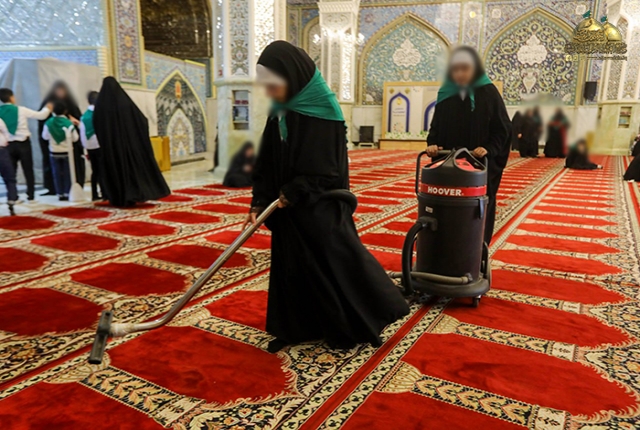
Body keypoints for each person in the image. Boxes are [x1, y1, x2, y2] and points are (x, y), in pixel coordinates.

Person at [248, 41, 409, 352]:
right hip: (288, 208)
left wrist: (295, 190)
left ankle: (361, 320)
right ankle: (296, 327)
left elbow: (326, 169)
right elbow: (266, 161)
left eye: (272, 84)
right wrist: (259, 198)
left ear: (291, 77)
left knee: (333, 264)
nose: (268, 92)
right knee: (293, 267)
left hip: (320, 206)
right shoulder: (280, 111)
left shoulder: (323, 110)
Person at [426, 46, 511, 245]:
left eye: (465, 68)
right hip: (448, 164)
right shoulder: (446, 93)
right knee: (446, 206)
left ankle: (476, 250)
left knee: (476, 209)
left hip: (479, 165)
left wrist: (489, 148)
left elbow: (502, 129)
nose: (460, 74)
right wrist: (432, 144)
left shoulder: (488, 92)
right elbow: (435, 127)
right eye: (455, 69)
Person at [93, 77, 170, 206]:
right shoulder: (126, 103)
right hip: (130, 147)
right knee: (131, 170)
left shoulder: (101, 106)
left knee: (115, 171)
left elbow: (97, 125)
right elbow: (142, 120)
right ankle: (133, 194)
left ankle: (117, 197)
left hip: (111, 149)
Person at [0, 88, 51, 202]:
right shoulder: (21, 110)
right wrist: (48, 108)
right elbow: (41, 115)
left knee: (11, 172)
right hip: (23, 144)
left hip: (8, 145)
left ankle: (13, 196)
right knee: (28, 170)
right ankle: (31, 196)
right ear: (12, 97)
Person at [38, 81, 84, 194]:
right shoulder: (48, 105)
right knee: (58, 169)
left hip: (67, 148)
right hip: (57, 147)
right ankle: (57, 189)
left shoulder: (71, 105)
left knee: (66, 169)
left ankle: (67, 190)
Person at [41, 102, 79, 201]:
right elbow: (75, 138)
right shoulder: (68, 123)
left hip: (54, 151)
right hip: (67, 152)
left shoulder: (49, 123)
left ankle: (59, 193)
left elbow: (45, 137)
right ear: (65, 111)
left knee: (56, 173)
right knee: (67, 173)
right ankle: (67, 192)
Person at [81, 91, 106, 200]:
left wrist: (86, 149)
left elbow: (82, 134)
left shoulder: (84, 117)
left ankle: (94, 194)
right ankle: (105, 193)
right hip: (100, 145)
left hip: (90, 147)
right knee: (103, 170)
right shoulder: (101, 114)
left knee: (95, 171)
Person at [0, 117, 17, 214]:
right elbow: (6, 133)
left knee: (9, 178)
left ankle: (11, 201)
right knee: (9, 178)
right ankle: (11, 200)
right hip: (2, 151)